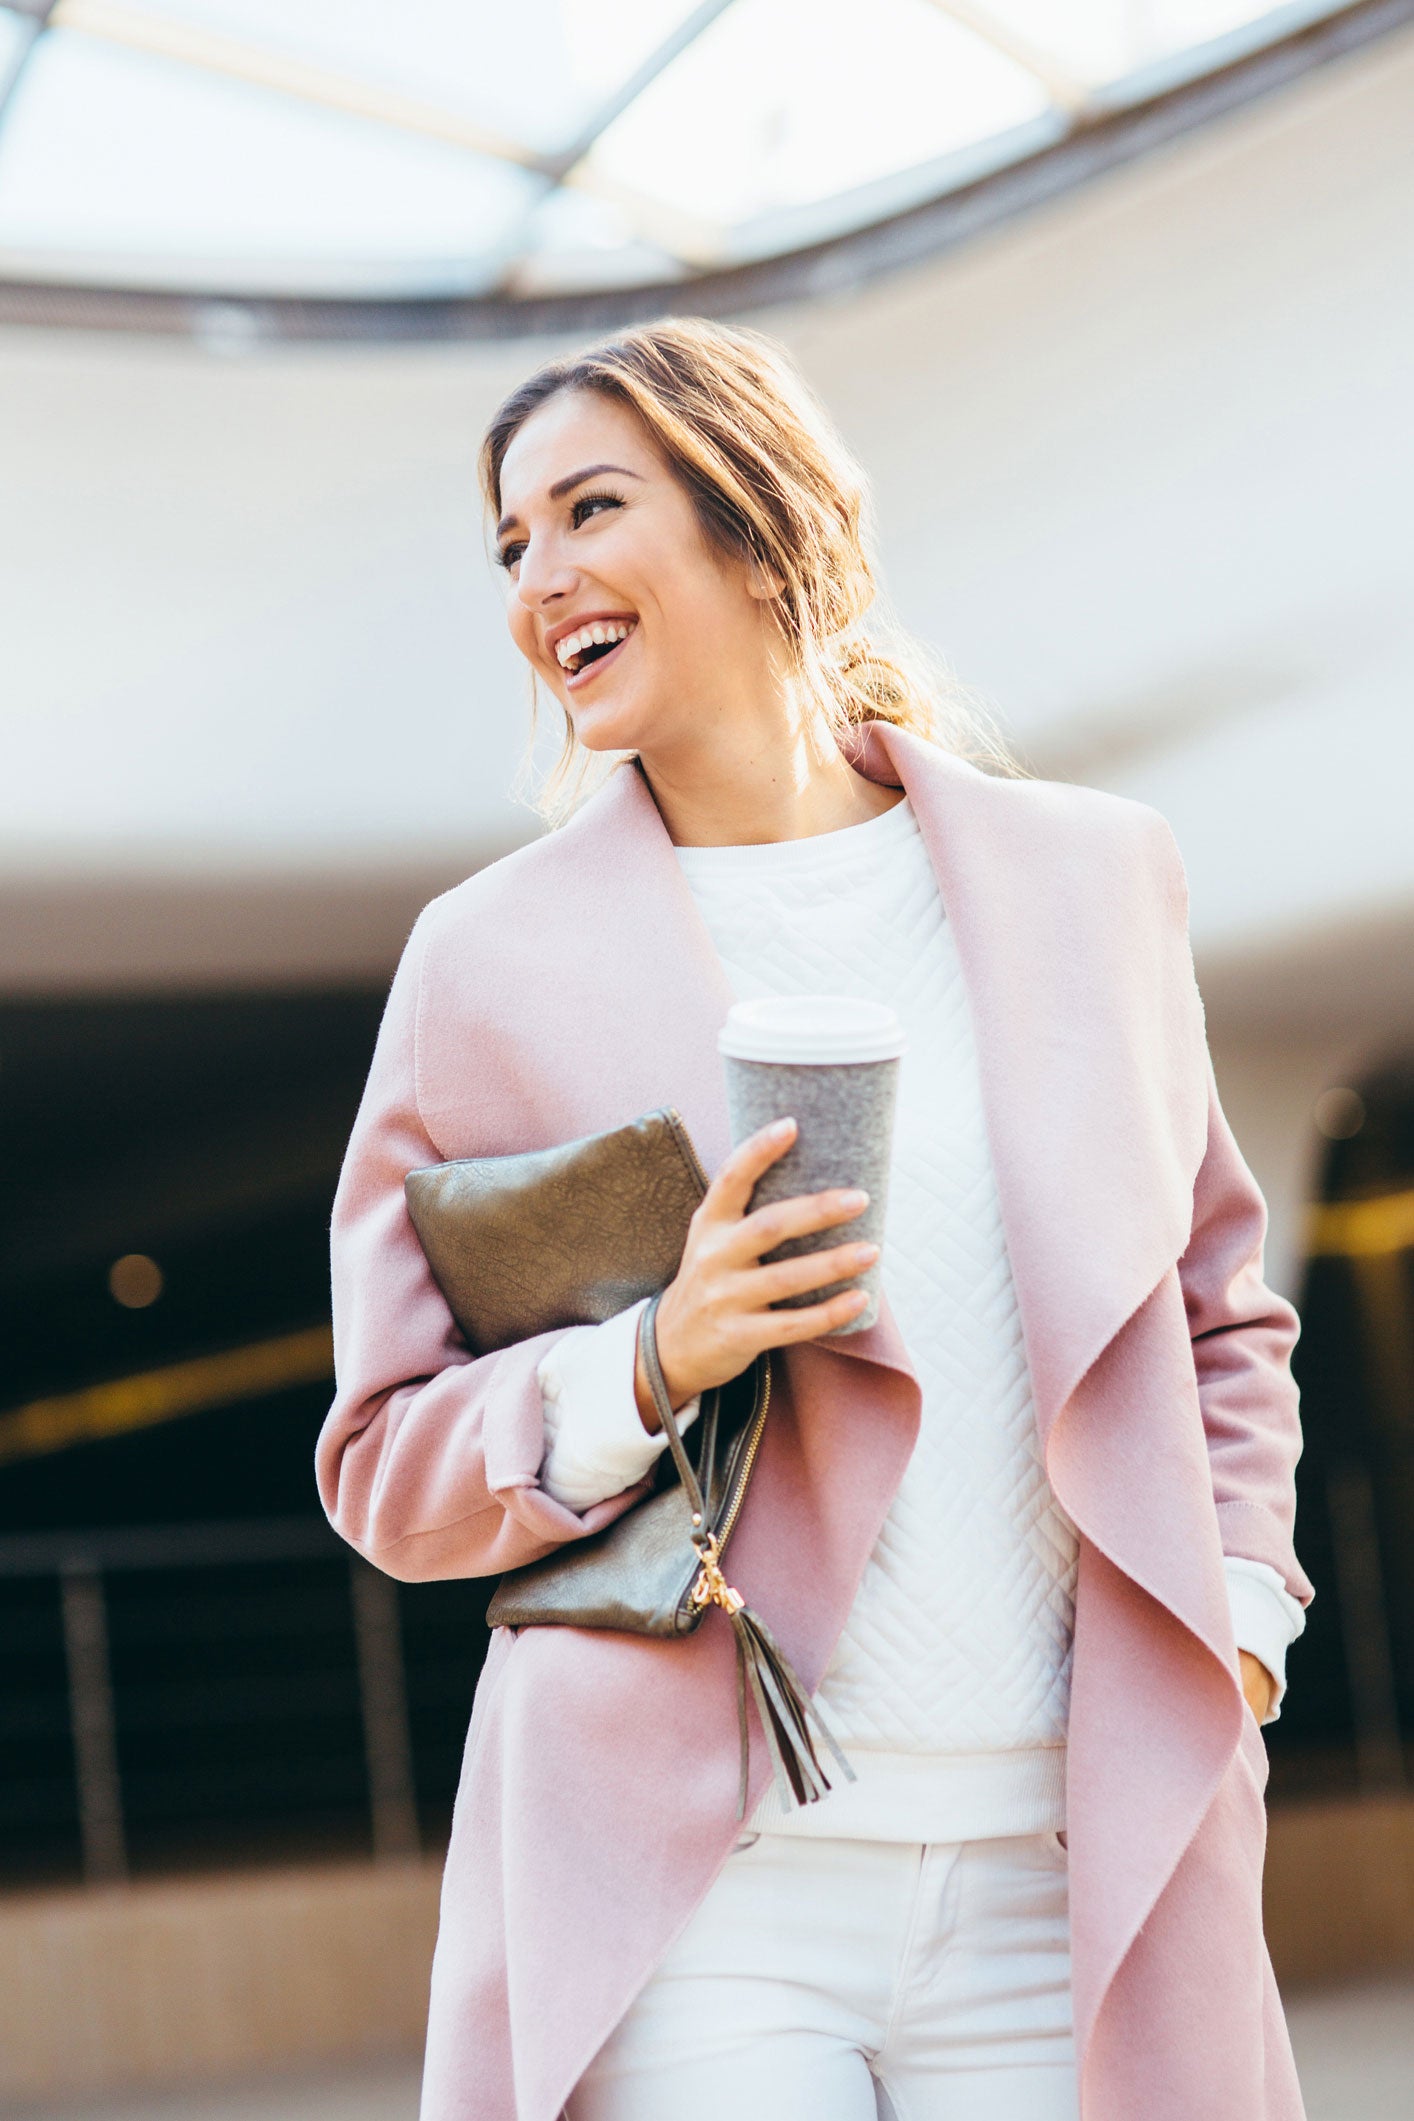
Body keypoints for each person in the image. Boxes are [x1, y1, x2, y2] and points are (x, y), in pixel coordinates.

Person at [317, 319, 1312, 2121]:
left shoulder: (1091, 878)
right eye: (511, 543)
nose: (540, 578)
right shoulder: (486, 962)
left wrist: (1239, 1605)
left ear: (756, 520)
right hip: (702, 1890)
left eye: (587, 509)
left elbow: (1215, 1304)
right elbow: (384, 1454)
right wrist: (647, 1359)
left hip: (1065, 1851)